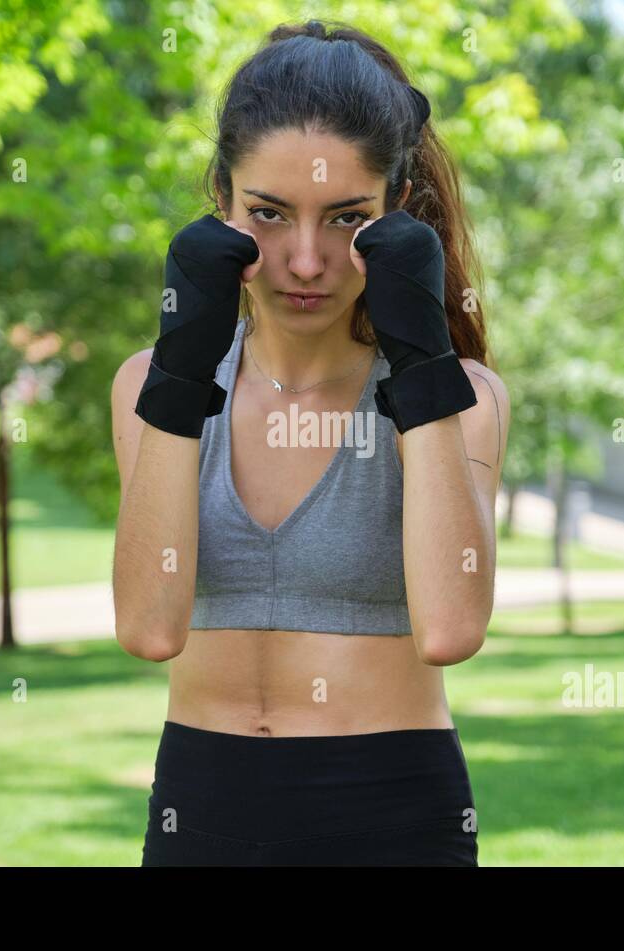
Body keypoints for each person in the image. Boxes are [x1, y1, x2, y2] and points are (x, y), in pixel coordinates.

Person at [110, 17, 510, 866]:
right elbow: (149, 627)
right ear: (220, 198)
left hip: (394, 820)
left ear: (398, 210)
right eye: (268, 212)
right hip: (199, 813)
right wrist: (182, 375)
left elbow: (450, 629)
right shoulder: (148, 384)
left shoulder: (461, 398)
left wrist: (422, 369)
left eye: (345, 218)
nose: (303, 258)